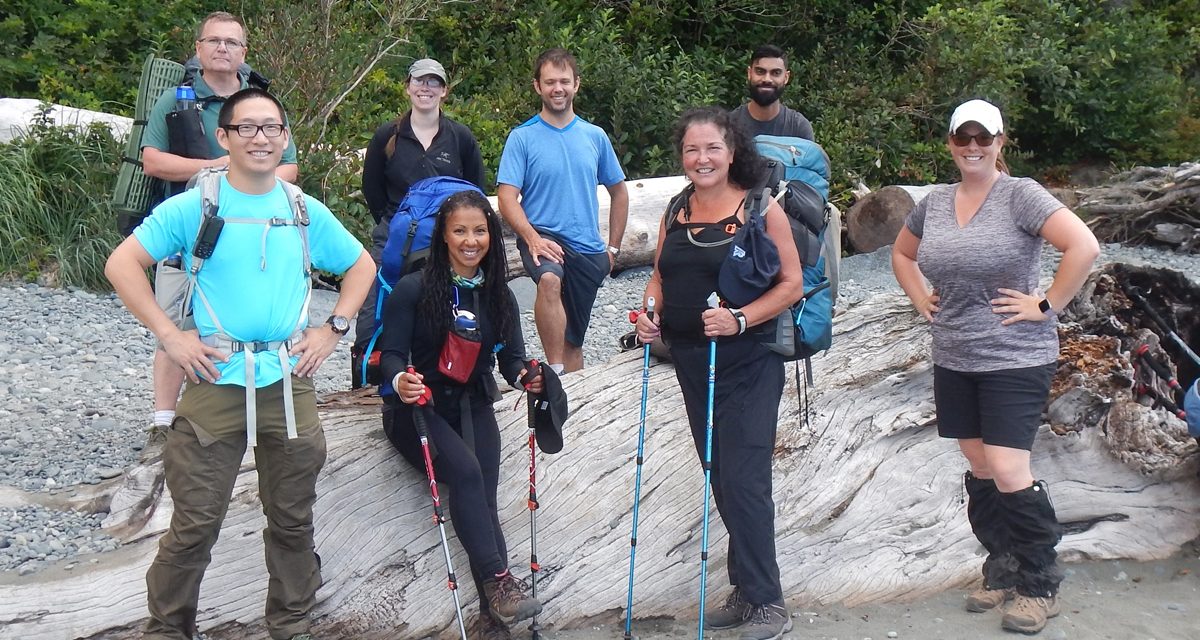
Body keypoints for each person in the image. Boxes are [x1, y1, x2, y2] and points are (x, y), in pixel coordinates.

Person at [106, 87, 375, 640]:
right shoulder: (196, 206)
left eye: (271, 128)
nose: (260, 138)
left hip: (287, 381)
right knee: (195, 524)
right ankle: (168, 628)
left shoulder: (302, 210)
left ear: (284, 137)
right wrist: (170, 338)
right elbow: (123, 264)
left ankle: (292, 622)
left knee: (293, 519)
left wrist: (333, 330)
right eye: (247, 128)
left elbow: (361, 266)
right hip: (214, 379)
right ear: (223, 137)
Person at [891, 98, 1100, 635]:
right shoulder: (934, 203)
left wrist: (1047, 302)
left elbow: (1084, 245)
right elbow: (901, 255)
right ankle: (1002, 569)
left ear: (1001, 142)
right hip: (955, 355)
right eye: (964, 137)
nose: (973, 147)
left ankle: (1039, 584)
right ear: (951, 143)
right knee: (981, 470)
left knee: (1009, 469)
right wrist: (920, 299)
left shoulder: (1020, 196)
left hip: (1015, 356)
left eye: (985, 138)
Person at [635, 107, 804, 640]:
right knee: (718, 473)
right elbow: (660, 275)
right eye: (691, 150)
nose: (701, 158)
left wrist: (739, 319)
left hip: (750, 361)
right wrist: (648, 312)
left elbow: (791, 284)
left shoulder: (760, 207)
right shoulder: (677, 207)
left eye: (711, 148)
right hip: (690, 359)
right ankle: (746, 585)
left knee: (744, 478)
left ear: (733, 151)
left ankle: (769, 601)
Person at [377, 190, 543, 640]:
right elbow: (390, 356)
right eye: (460, 231)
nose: (472, 241)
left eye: (480, 230)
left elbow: (511, 359)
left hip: (472, 402)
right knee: (468, 476)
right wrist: (401, 383)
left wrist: (527, 375)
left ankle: (494, 620)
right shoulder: (414, 288)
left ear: (491, 234)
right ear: (444, 237)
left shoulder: (498, 295)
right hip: (416, 409)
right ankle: (499, 582)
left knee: (482, 496)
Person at [138, 10, 301, 445]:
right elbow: (152, 160)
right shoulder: (176, 100)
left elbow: (289, 168)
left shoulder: (261, 104)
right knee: (174, 323)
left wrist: (240, 180)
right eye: (214, 41)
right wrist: (217, 169)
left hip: (251, 236)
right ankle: (163, 421)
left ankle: (239, 417)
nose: (222, 49)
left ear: (244, 52)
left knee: (241, 326)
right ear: (199, 48)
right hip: (185, 236)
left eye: (231, 42)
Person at [497, 47, 629, 374]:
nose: (558, 88)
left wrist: (612, 248)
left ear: (576, 85)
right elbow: (507, 197)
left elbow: (620, 191)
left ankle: (572, 399)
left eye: (564, 81)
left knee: (575, 342)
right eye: (550, 81)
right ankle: (553, 372)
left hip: (587, 247)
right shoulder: (522, 138)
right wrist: (531, 239)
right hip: (543, 235)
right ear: (537, 86)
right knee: (549, 281)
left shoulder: (594, 137)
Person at [355, 57, 486, 385]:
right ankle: (371, 373)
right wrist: (395, 225)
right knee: (376, 304)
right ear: (408, 87)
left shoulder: (461, 138)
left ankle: (454, 373)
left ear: (444, 91)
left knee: (448, 304)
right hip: (395, 233)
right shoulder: (388, 135)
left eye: (433, 82)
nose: (425, 88)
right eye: (419, 81)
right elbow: (372, 189)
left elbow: (475, 192)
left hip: (448, 239)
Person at [730, 44, 814, 141]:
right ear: (749, 73)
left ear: (786, 77)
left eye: (776, 73)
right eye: (760, 71)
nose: (767, 79)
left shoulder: (798, 127)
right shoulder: (730, 125)